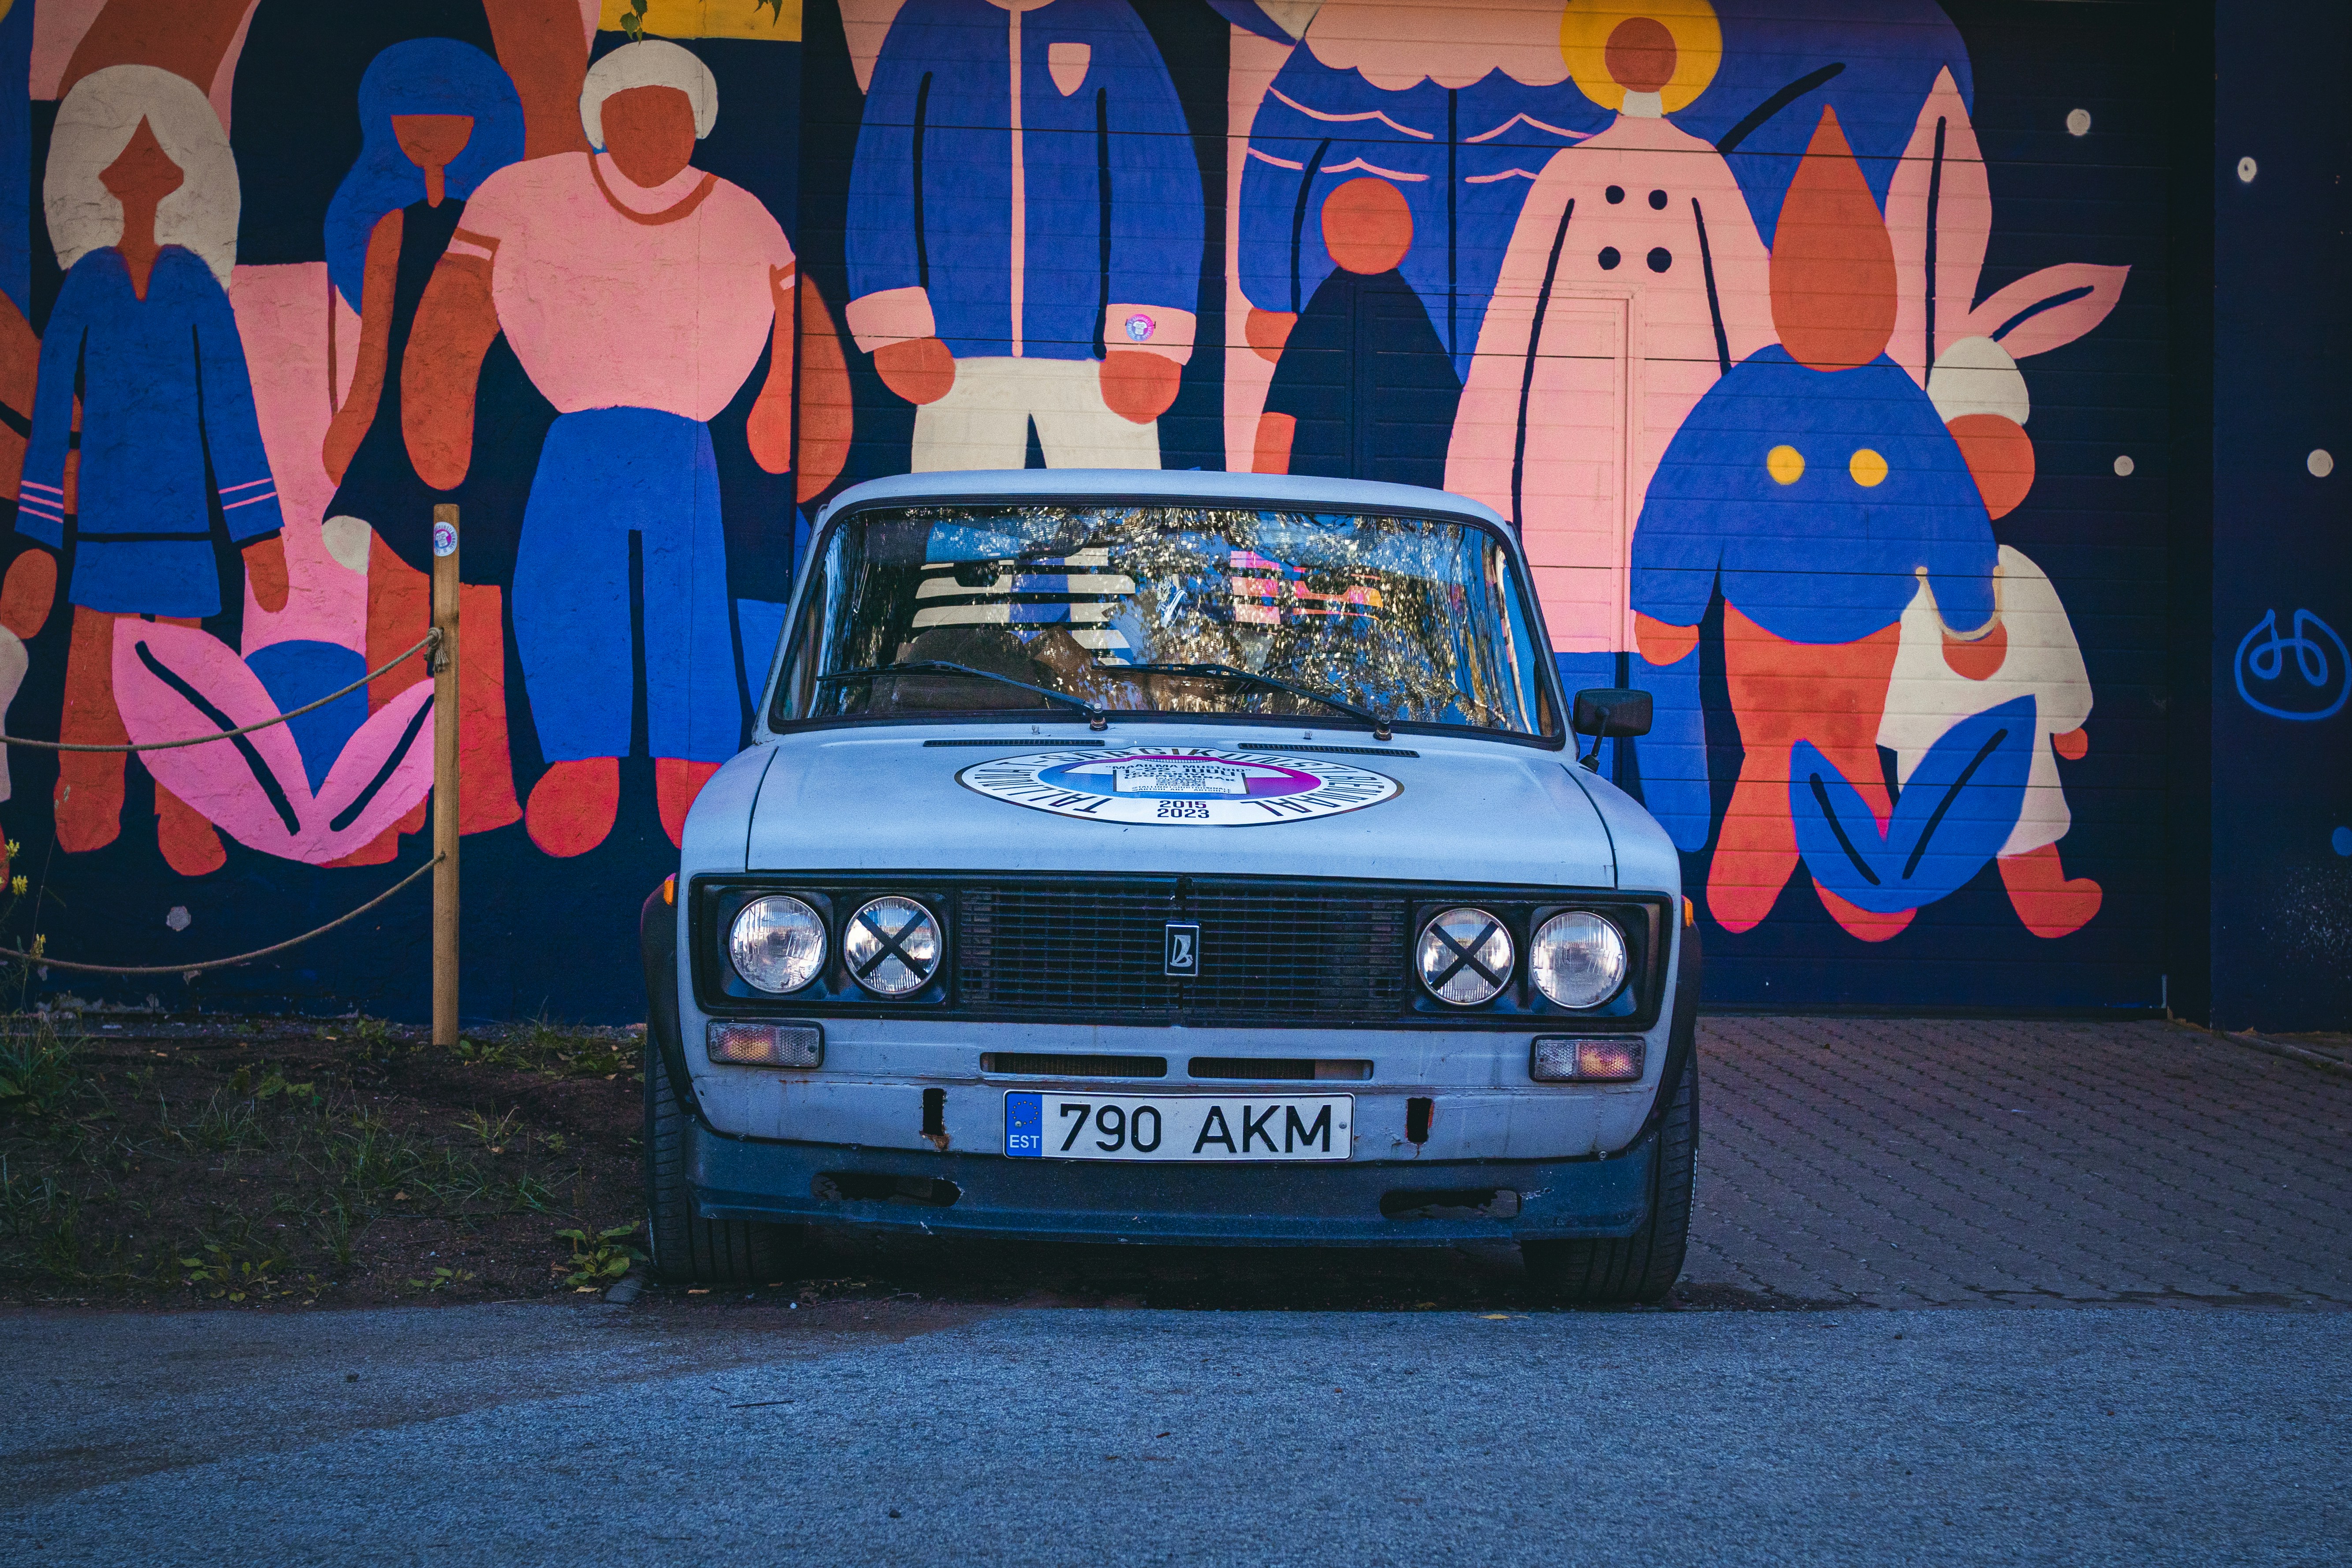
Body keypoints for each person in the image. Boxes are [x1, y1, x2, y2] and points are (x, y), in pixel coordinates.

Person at [402, 40, 826, 857]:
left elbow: (795, 316)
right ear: (599, 120)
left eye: (669, 112)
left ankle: (693, 759)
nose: (649, 129)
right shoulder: (527, 196)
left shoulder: (740, 213)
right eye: (630, 111)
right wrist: (438, 410)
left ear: (698, 124)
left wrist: (785, 414)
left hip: (685, 442)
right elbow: (459, 303)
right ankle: (581, 756)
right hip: (577, 436)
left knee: (689, 597)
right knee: (563, 587)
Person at [7, 65, 287, 877]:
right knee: (93, 676)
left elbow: (230, 412)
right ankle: (88, 800)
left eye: (158, 174)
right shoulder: (86, 285)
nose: (141, 190)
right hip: (102, 526)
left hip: (182, 533)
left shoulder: (196, 284)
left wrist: (257, 533)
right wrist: (35, 536)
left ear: (182, 184)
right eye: (124, 175)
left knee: (186, 684)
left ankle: (186, 812)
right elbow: (53, 409)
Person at [319, 39, 530, 859]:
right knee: (396, 628)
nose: (431, 131)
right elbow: (377, 346)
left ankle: (476, 794)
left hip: (478, 460)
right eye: (414, 116)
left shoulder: (502, 225)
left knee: (474, 619)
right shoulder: (393, 232)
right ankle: (394, 798)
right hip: (394, 462)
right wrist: (351, 425)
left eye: (450, 114)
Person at [844, 0, 1202, 470]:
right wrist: (897, 328)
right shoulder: (929, 22)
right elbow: (883, 169)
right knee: (962, 529)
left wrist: (1144, 339)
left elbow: (1158, 178)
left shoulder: (1109, 23)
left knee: (1113, 530)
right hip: (957, 352)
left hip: (1095, 358)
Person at [1254, 178, 1459, 488]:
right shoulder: (1411, 316)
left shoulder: (1321, 317)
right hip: (1407, 500)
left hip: (1321, 495)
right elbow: (1452, 414)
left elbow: (1279, 419)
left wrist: (1264, 498)